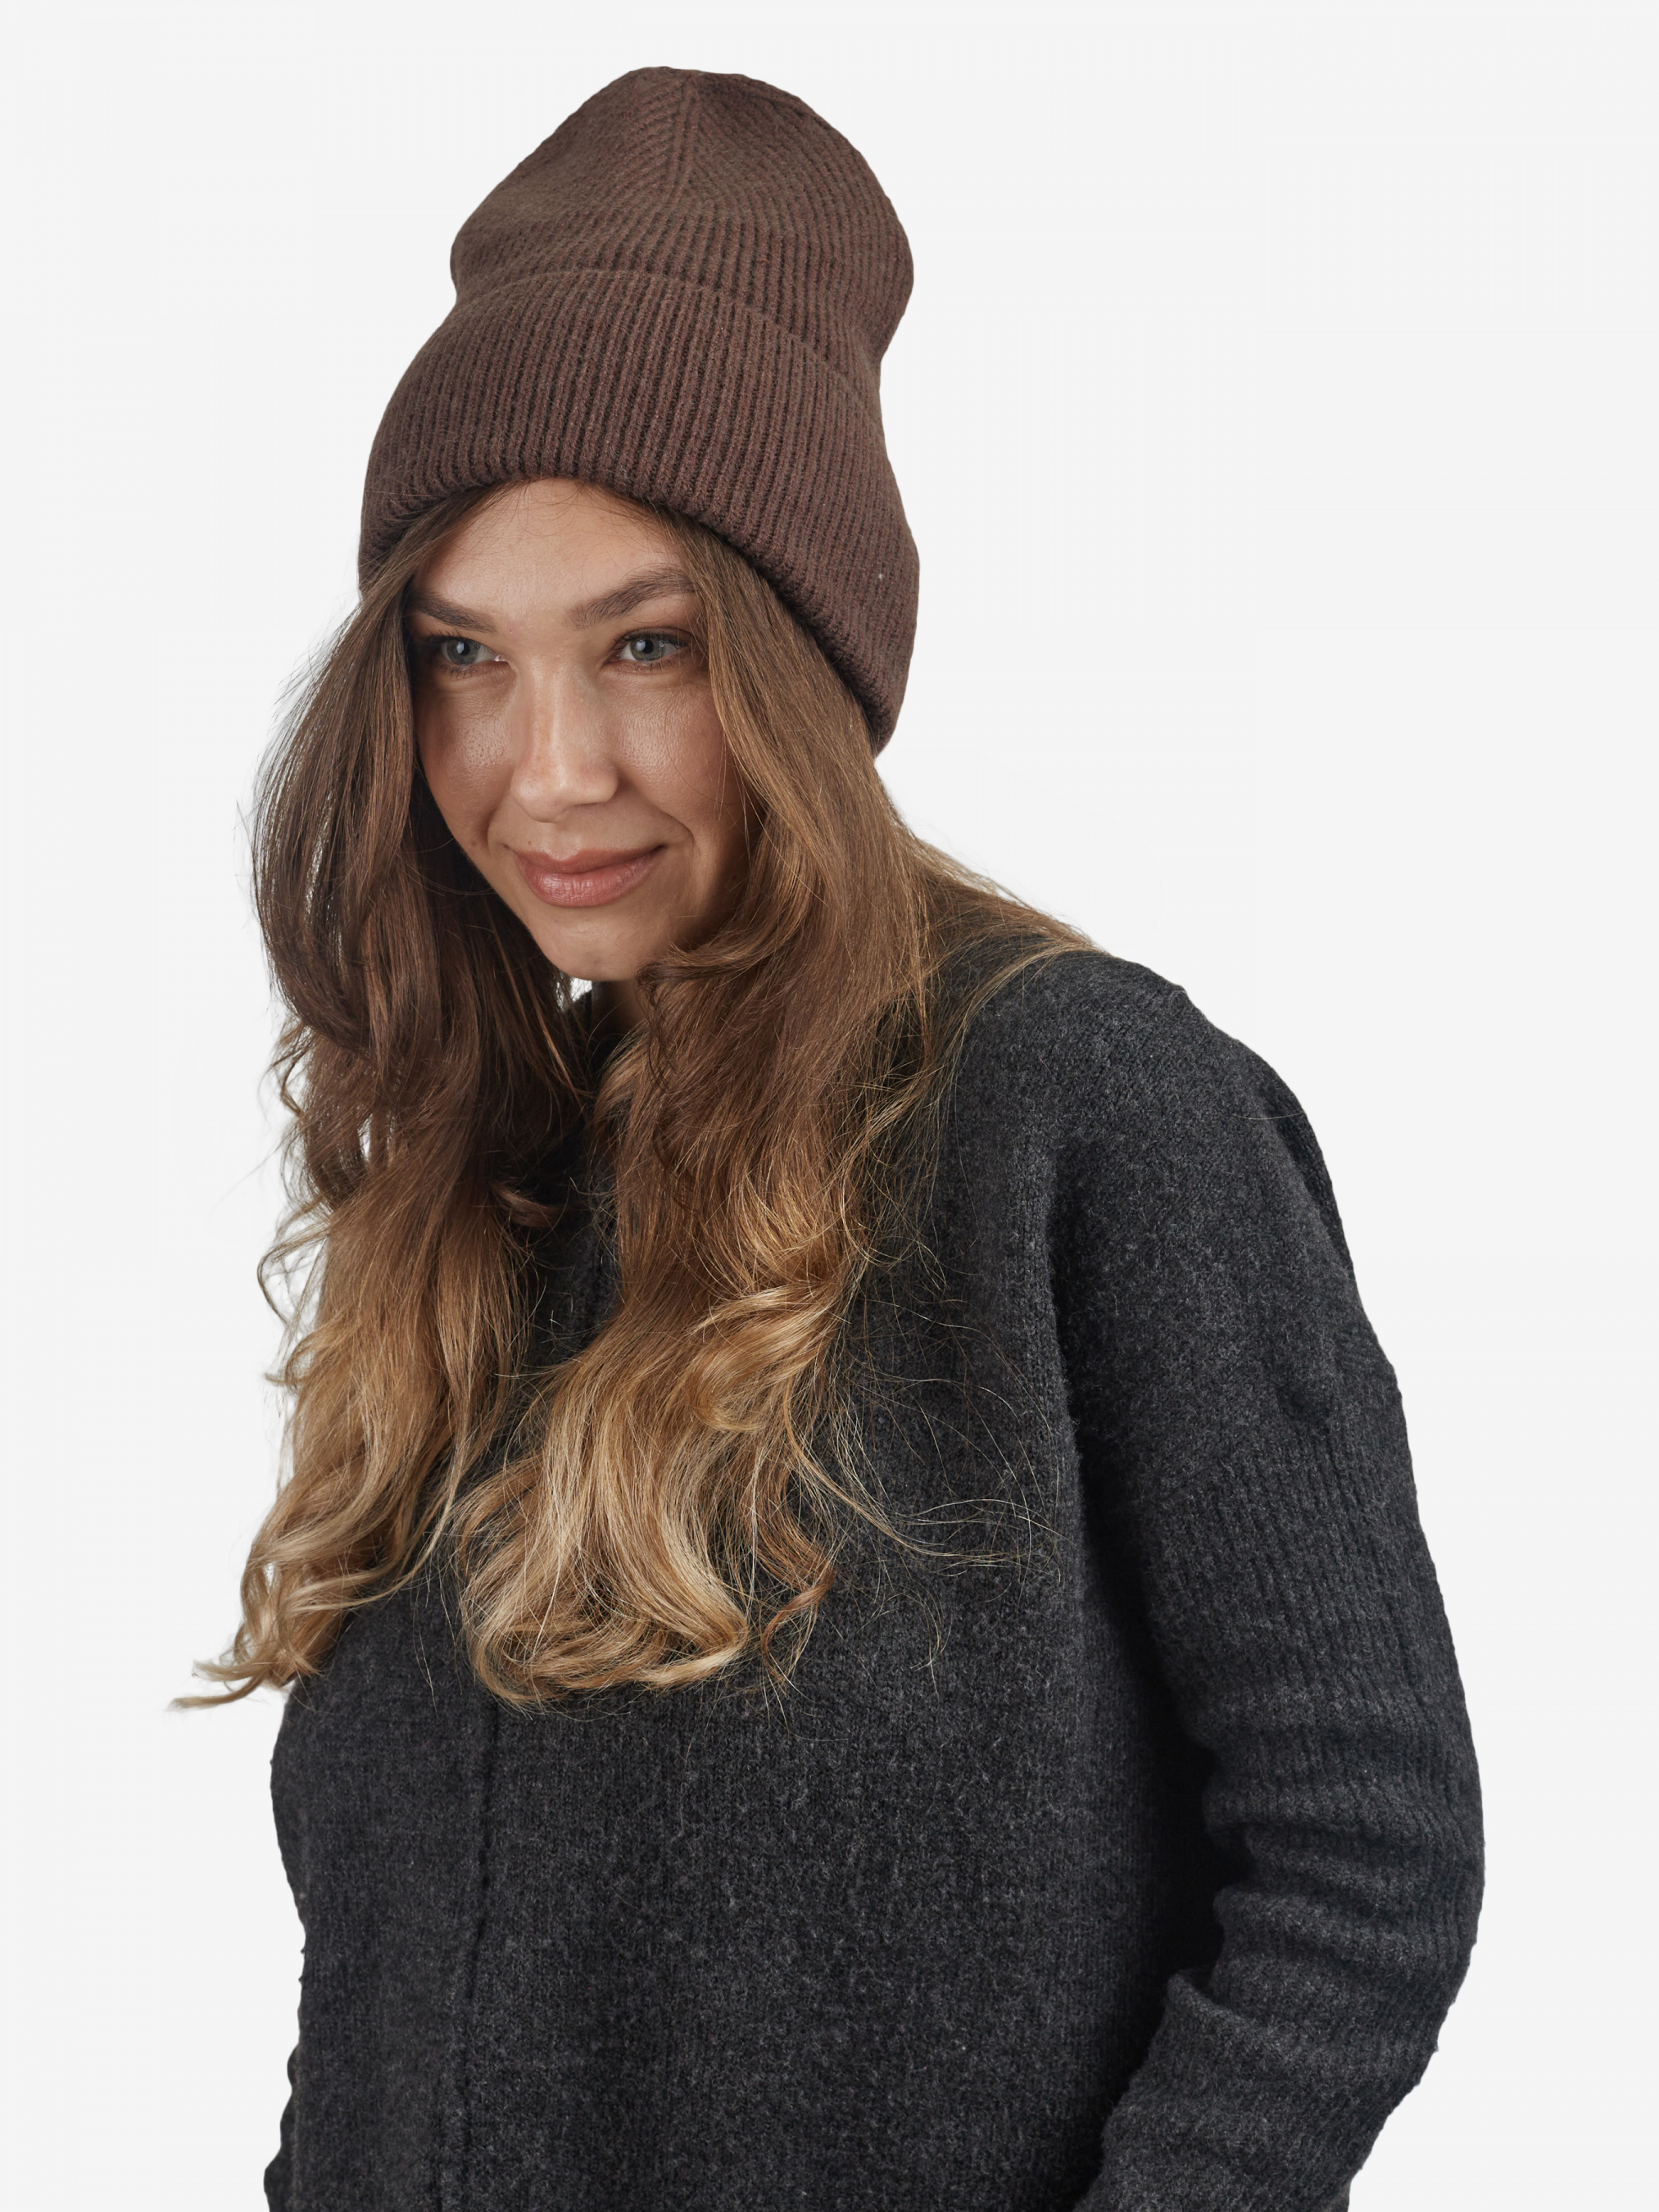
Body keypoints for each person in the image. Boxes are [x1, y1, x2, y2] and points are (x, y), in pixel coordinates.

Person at [202, 66, 1483, 2212]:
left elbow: (1363, 1848)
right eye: (463, 656)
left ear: (803, 664)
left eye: (646, 644)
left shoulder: (1084, 1107)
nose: (546, 766)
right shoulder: (487, 1180)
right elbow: (390, 1994)